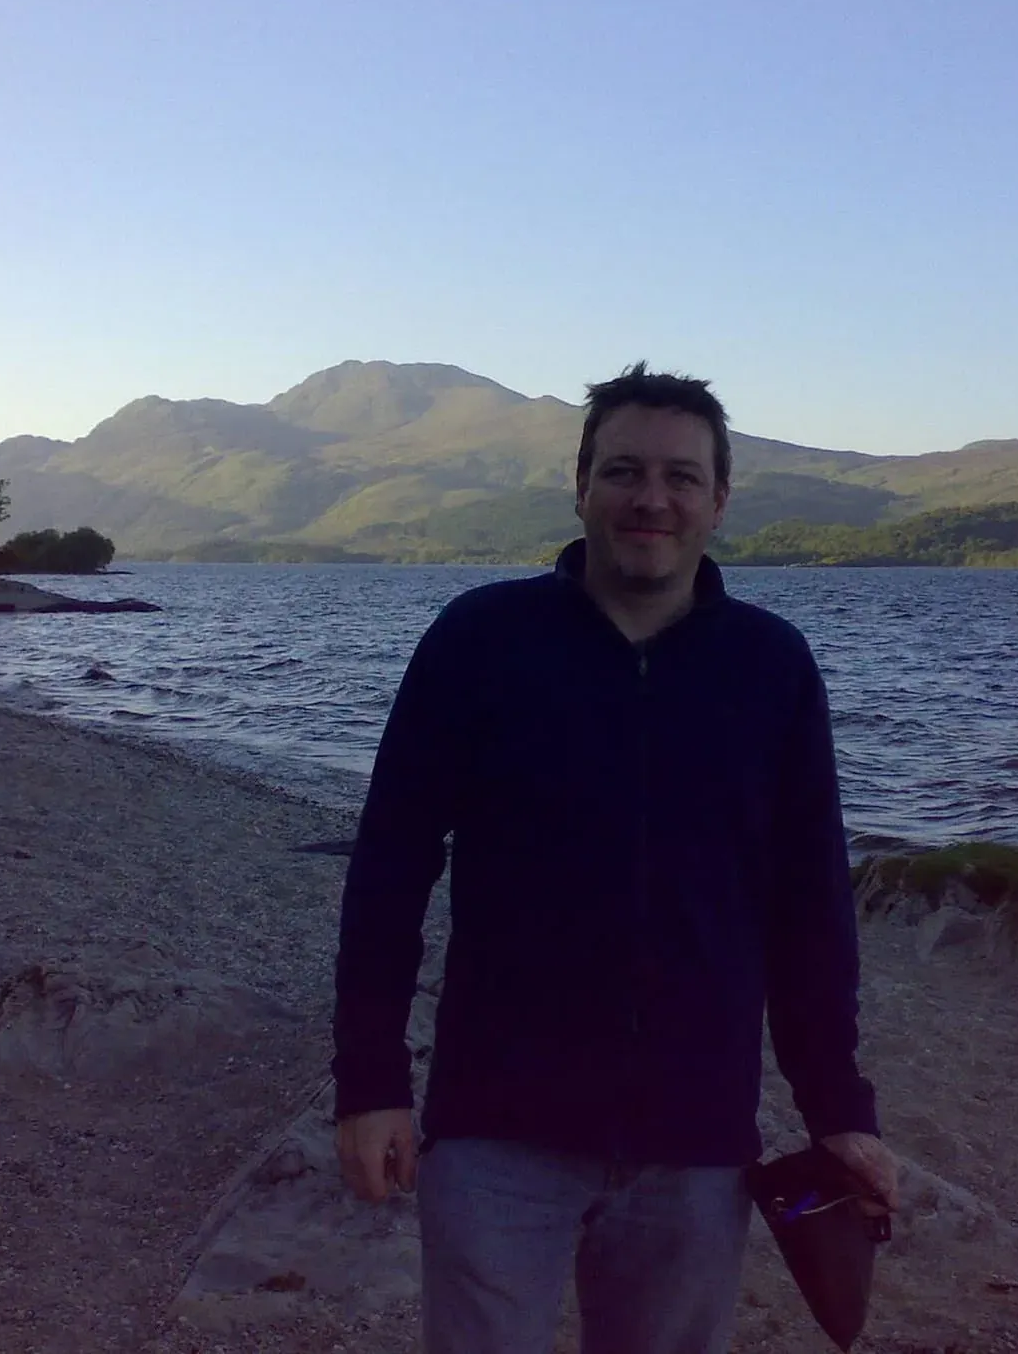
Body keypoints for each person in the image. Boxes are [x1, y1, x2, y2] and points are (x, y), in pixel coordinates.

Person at [331, 362, 896, 1354]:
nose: (651, 498)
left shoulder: (769, 668)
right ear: (580, 485)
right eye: (624, 471)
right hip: (494, 1131)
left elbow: (808, 908)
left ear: (718, 500)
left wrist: (835, 1108)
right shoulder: (480, 641)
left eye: (680, 477)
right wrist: (369, 1080)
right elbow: (389, 867)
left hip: (695, 1143)